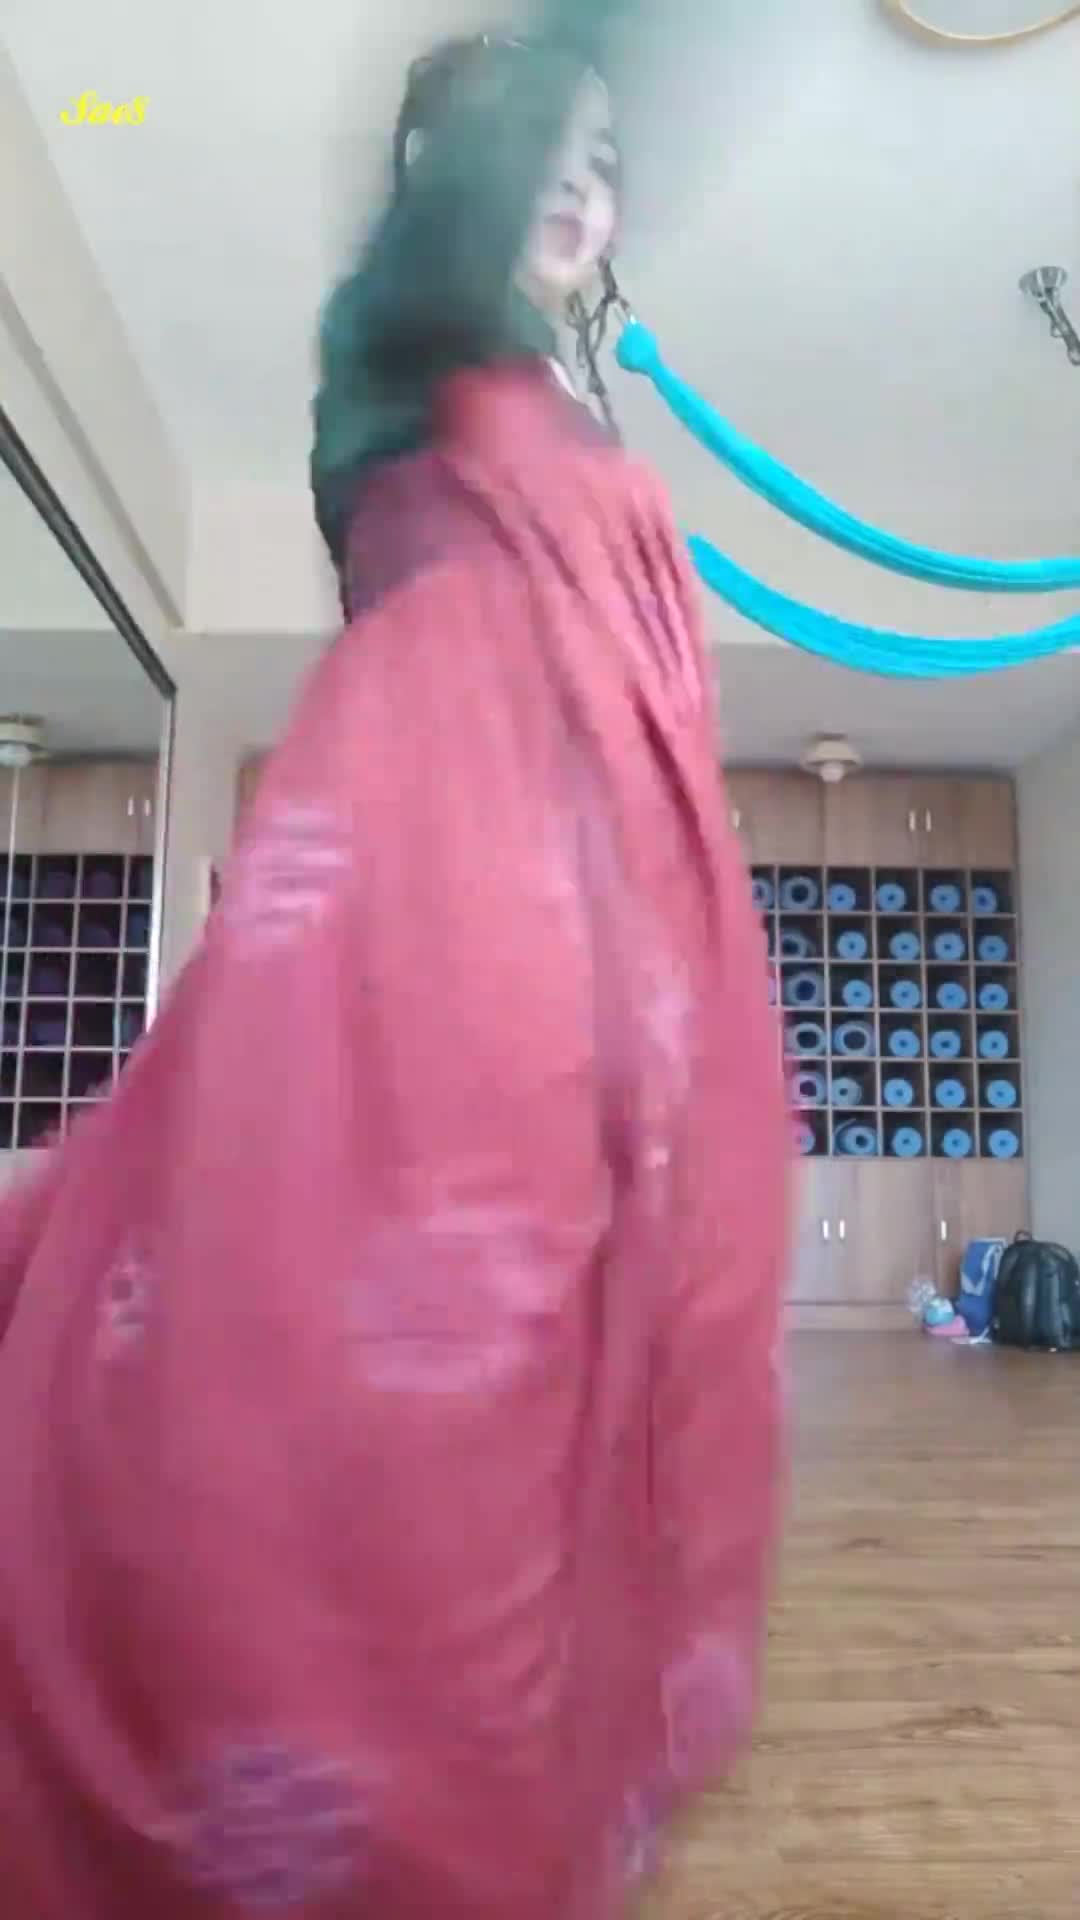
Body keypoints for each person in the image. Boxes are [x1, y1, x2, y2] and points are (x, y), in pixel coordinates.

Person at [0, 20, 790, 1918]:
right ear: (440, 179)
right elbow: (453, 239)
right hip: (434, 865)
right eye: (534, 147)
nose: (578, 182)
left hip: (603, 885)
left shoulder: (573, 409)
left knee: (563, 1357)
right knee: (376, 1329)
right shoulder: (394, 343)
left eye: (605, 161)